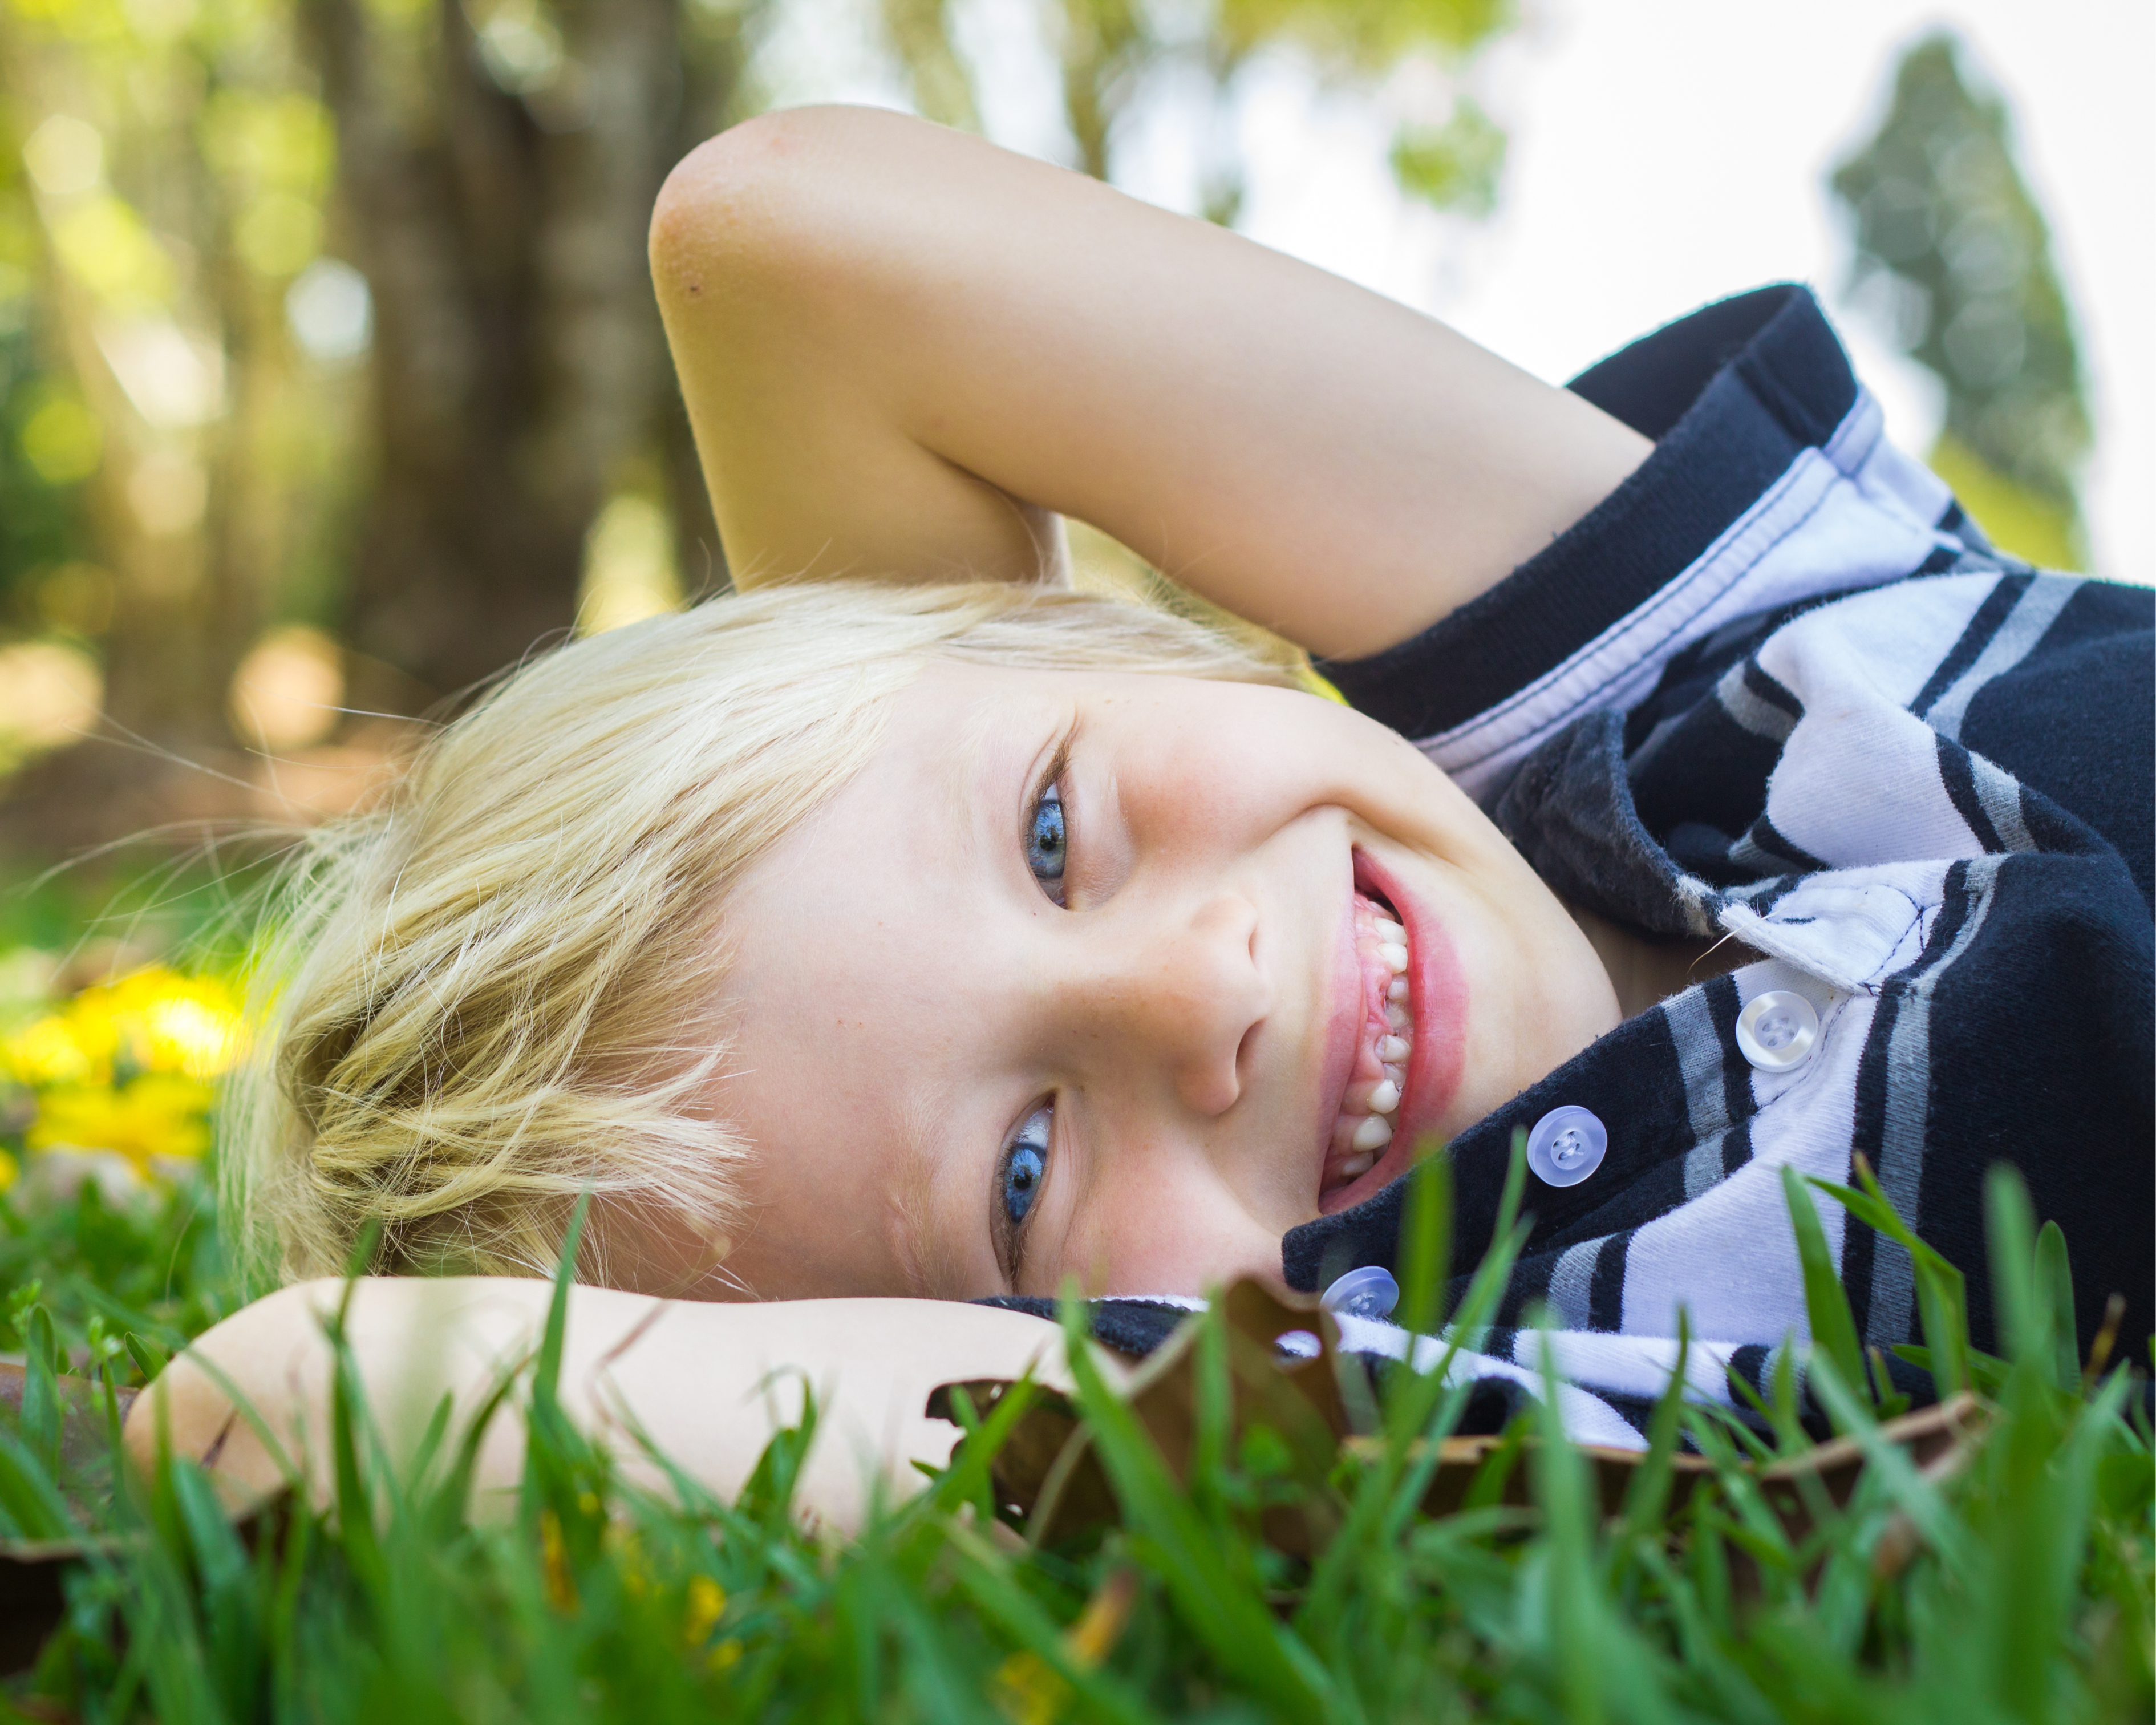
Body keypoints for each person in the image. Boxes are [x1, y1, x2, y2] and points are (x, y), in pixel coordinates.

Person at [132, 106, 2153, 1524]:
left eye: (1047, 840)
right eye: (1022, 1175)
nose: (1198, 991)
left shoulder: (1701, 680)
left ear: (1155, 655)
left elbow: (780, 239)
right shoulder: (1564, 1374)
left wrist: (934, 692)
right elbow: (303, 1403)